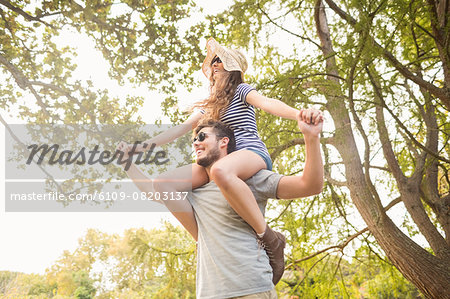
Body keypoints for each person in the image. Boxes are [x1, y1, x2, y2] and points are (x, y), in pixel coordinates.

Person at [123, 38, 309, 281]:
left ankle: (269, 238)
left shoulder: (242, 91)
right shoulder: (208, 107)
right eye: (214, 61)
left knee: (222, 171)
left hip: (248, 152)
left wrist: (299, 115)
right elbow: (177, 130)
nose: (216, 64)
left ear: (233, 70)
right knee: (162, 184)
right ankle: (203, 239)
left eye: (222, 60)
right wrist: (137, 149)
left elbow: (267, 103)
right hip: (216, 160)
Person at [118, 110, 324, 298]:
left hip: (252, 288)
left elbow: (310, 185)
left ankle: (272, 239)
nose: (196, 143)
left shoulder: (250, 179)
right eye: (194, 141)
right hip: (210, 292)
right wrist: (127, 163)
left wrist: (311, 138)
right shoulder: (194, 191)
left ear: (223, 141)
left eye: (202, 137)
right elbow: (154, 190)